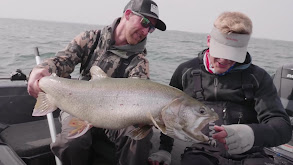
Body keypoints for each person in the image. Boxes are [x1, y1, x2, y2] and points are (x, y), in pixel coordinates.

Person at [27, 0, 166, 164]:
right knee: (72, 143)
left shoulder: (139, 62)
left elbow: (140, 96)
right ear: (127, 15)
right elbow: (61, 62)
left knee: (138, 139)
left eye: (151, 28)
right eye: (144, 22)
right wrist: (41, 70)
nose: (145, 31)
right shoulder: (91, 39)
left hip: (116, 116)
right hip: (78, 105)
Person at [148, 11, 292, 165]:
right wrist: (164, 149)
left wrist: (252, 134)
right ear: (209, 41)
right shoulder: (186, 72)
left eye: (233, 55)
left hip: (250, 153)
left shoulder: (258, 77)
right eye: (221, 51)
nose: (224, 60)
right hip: (202, 151)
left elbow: (282, 127)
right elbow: (168, 114)